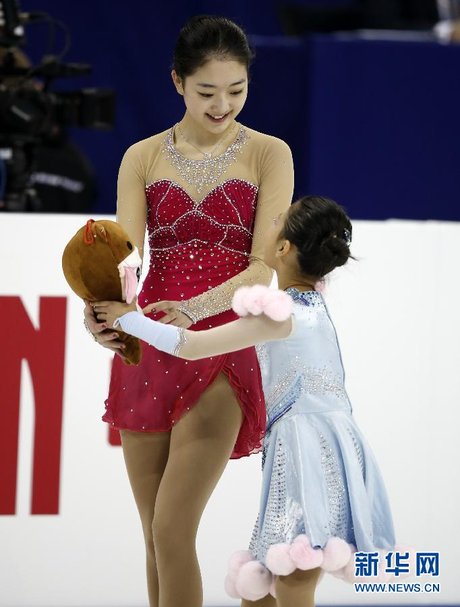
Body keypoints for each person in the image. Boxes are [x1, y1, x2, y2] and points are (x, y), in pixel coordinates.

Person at [83, 14, 294, 607]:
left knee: (173, 528)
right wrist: (102, 313)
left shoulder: (268, 154)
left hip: (223, 344)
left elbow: (262, 267)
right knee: (155, 538)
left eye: (237, 90)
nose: (222, 103)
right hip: (147, 346)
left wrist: (195, 309)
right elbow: (126, 258)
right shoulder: (142, 157)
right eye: (207, 91)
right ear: (178, 82)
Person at [94, 195, 396, 607]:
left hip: (305, 452)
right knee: (263, 587)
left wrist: (127, 319)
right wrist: (185, 306)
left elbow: (192, 346)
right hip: (327, 445)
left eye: (276, 221)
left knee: (291, 577)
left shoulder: (280, 314)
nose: (266, 225)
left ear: (285, 248)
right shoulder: (312, 305)